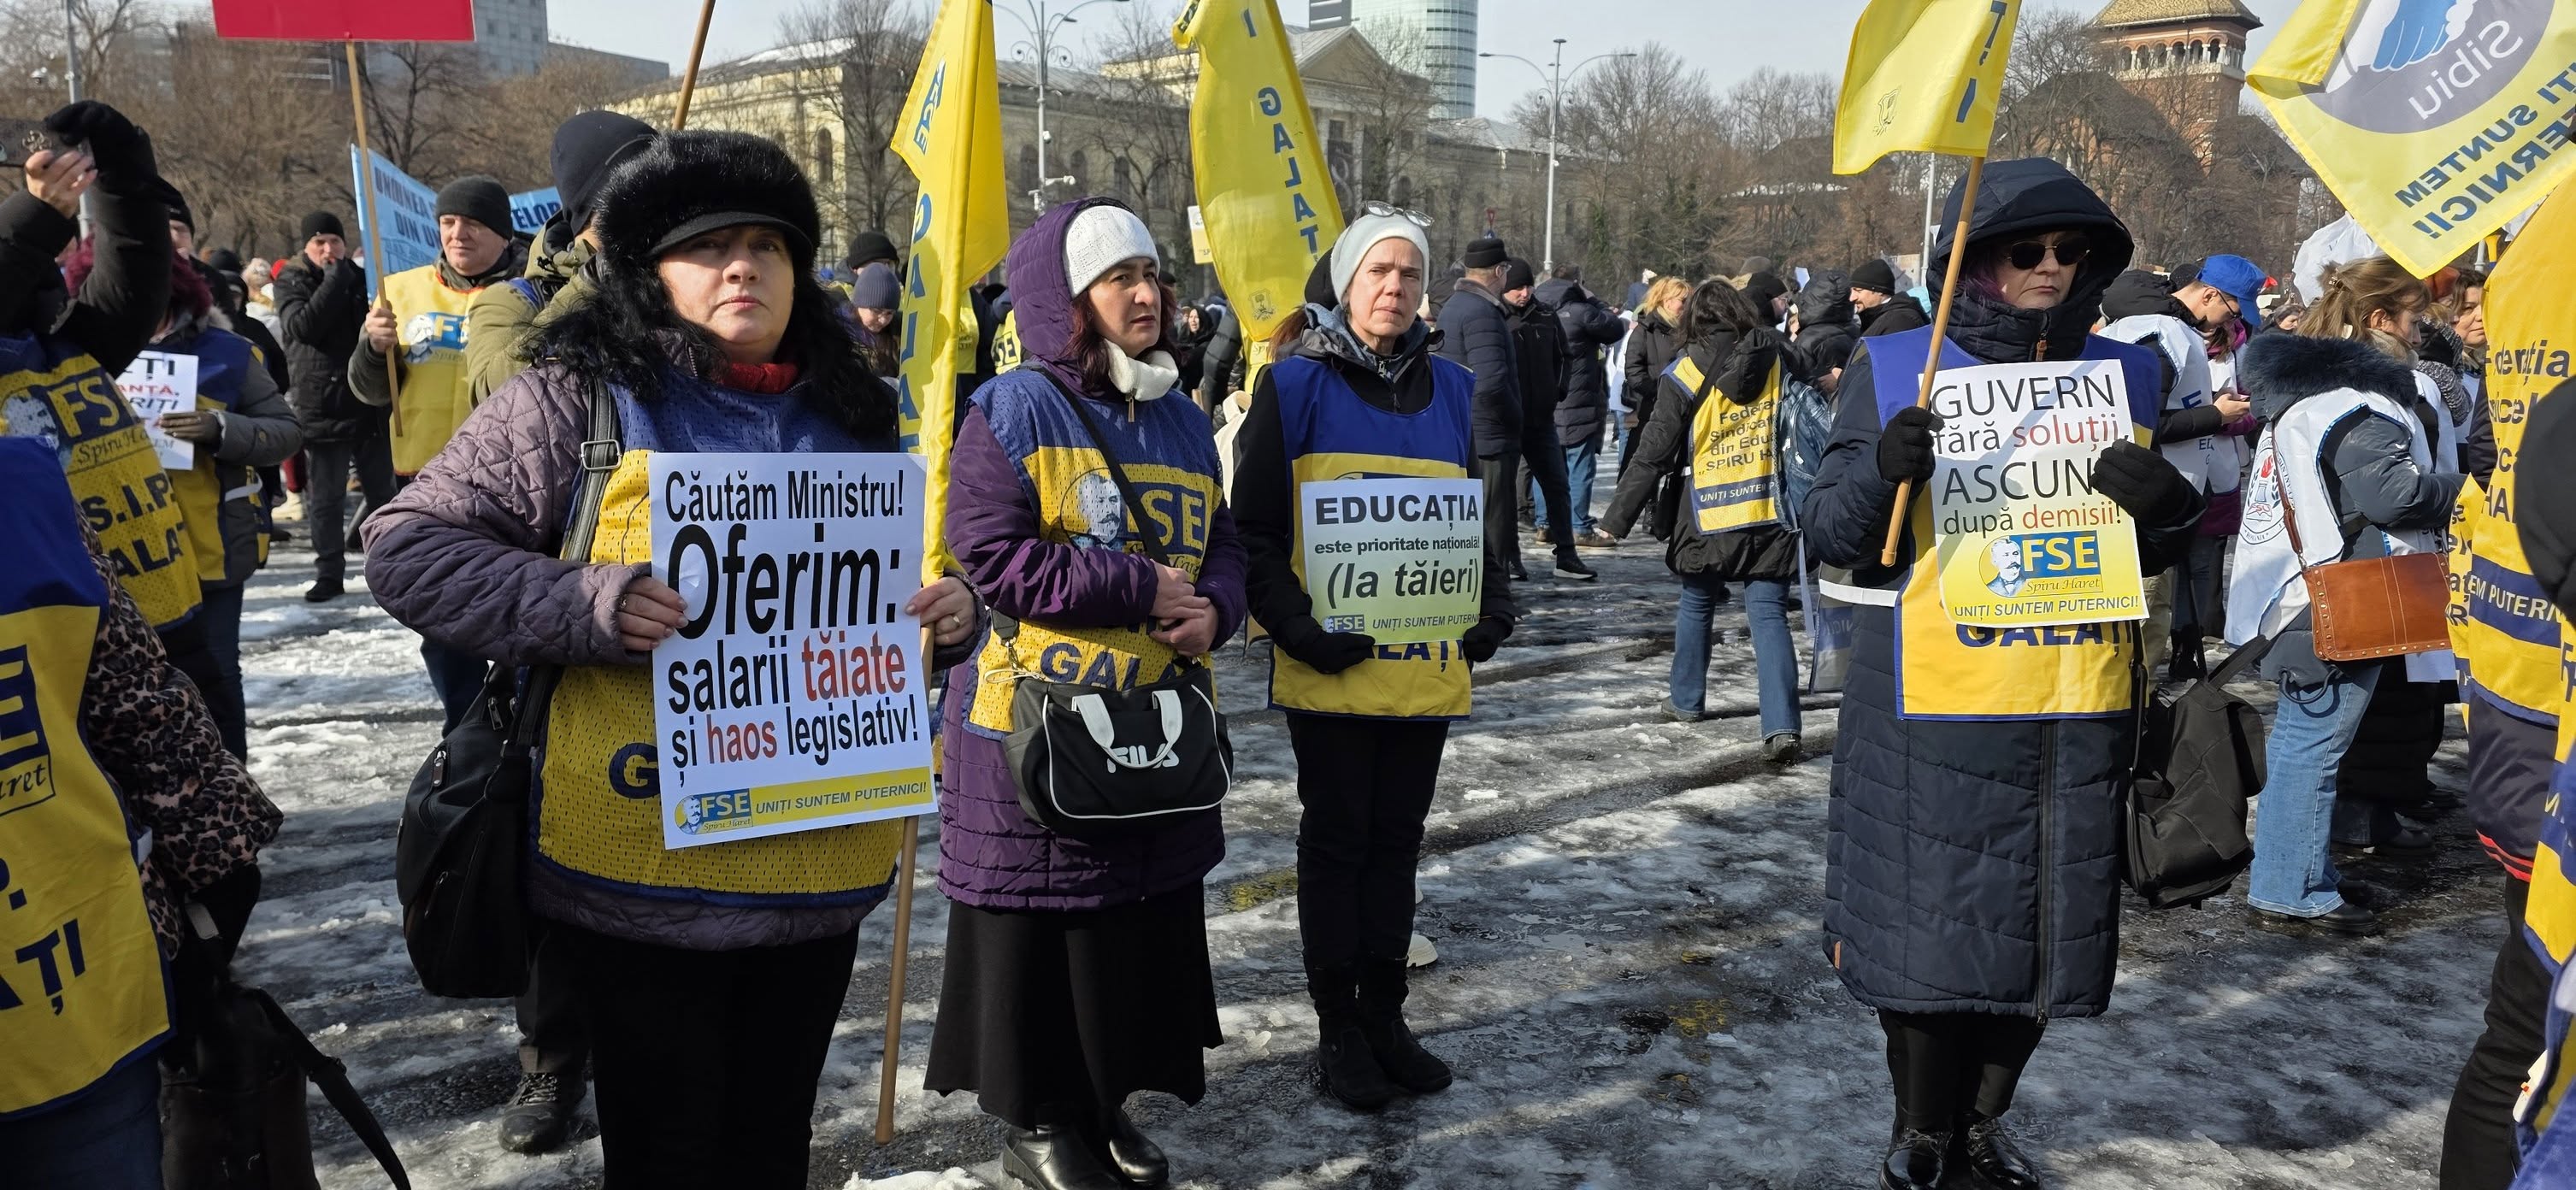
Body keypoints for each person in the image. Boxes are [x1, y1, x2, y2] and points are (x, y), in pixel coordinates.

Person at [365, 129, 978, 1186]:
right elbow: (406, 548)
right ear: (651, 273)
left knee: (772, 1149)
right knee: (668, 1158)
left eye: (767, 247)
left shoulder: (862, 414)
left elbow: (900, 594)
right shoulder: (576, 398)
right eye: (708, 248)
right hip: (641, 878)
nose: (743, 268)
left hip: (818, 867)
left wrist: (951, 615)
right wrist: (584, 602)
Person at [1799, 158, 2201, 1190]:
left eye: (2071, 251)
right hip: (1937, 701)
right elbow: (1834, 533)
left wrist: (2170, 510)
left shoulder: (2128, 375)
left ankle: (1981, 1123)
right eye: (2026, 250)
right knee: (1930, 939)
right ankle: (1921, 1131)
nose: (2050, 267)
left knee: (2044, 937)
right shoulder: (1899, 363)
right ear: (1972, 261)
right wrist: (1882, 472)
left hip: (2076, 704)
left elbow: (2141, 549)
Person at [923, 197, 1241, 1190]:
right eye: (1117, 280)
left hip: (1151, 725)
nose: (1145, 296)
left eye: (1151, 276)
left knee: (1129, 929)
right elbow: (990, 555)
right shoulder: (1013, 407)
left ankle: (1106, 1104)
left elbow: (1224, 542)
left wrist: (1217, 611)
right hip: (1034, 729)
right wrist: (1138, 588)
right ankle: (1042, 1121)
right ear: (1065, 299)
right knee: (1046, 927)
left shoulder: (1181, 414)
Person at [1233, 209, 1514, 1114]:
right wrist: (1296, 629)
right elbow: (1253, 533)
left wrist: (1490, 606)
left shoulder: (1453, 388)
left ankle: (1385, 1015)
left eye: (1408, 273)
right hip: (1331, 671)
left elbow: (1473, 517)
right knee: (1337, 842)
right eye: (1377, 272)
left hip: (1422, 669)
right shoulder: (1293, 385)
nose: (1393, 287)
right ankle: (1338, 1029)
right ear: (1347, 284)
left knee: (1397, 844)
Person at [0, 438, 281, 1190]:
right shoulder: (20, 486)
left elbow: (136, 707)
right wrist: (218, 870)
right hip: (71, 986)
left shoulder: (18, 485)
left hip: (71, 991)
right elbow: (141, 709)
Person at [2225, 256, 2462, 938]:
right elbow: (2394, 498)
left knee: (2307, 743)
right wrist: (2470, 487)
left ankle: (2298, 873)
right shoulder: (2360, 403)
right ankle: (2288, 888)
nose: (2422, 332)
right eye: (2415, 319)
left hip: (2301, 594)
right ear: (2379, 319)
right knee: (2313, 747)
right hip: (2335, 597)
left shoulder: (2313, 396)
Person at [66, 227, 301, 763]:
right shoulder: (74, 357)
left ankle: (227, 790)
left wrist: (221, 428)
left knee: (213, 676)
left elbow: (285, 434)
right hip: (112, 557)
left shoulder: (229, 352)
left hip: (208, 549)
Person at [0, 100, 203, 635]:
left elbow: (133, 282)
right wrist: (35, 217)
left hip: (159, 627)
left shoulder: (58, 346)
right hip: (41, 648)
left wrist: (124, 175)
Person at [350, 175, 528, 732]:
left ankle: (523, 723)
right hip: (426, 479)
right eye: (448, 222)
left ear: (502, 233)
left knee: (514, 606)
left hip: (515, 480)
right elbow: (369, 391)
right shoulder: (398, 292)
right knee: (444, 614)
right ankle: (468, 732)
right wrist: (372, 349)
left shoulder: (531, 290)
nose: (457, 234)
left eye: (472, 223)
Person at [1599, 278, 1803, 759]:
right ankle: (1782, 725)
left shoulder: (1684, 371)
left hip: (1706, 508)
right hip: (1769, 506)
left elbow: (1653, 452)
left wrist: (1616, 519)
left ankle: (1686, 700)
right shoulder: (1778, 357)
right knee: (1768, 614)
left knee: (1697, 603)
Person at [2098, 259, 2258, 680]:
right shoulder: (2161, 332)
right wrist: (2215, 416)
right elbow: (2138, 424)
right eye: (2232, 311)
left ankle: (2137, 695)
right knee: (2145, 616)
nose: (2231, 323)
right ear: (2209, 294)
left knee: (2153, 613)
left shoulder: (2164, 329)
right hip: (2143, 503)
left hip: (2155, 498)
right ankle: (2133, 702)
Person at [463, 109, 657, 409]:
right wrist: (593, 281)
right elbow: (490, 394)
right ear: (600, 200)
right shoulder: (512, 299)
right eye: (638, 186)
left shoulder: (670, 277)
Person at [274, 209, 392, 604]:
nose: (328, 250)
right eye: (319, 243)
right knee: (326, 500)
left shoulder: (362, 279)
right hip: (322, 405)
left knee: (384, 495)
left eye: (335, 242)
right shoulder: (292, 280)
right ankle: (329, 572)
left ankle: (391, 566)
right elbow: (304, 327)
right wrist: (333, 280)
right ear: (306, 247)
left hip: (368, 401)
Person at [1500, 256, 1582, 572]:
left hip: (1542, 418)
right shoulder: (1495, 316)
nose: (1524, 293)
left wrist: (1559, 390)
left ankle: (1567, 554)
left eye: (1528, 286)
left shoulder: (1546, 314)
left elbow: (1565, 355)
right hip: (1508, 420)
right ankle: (1510, 557)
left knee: (1557, 484)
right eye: (1517, 288)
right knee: (1505, 491)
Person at [1538, 264, 1627, 547]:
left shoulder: (1535, 309)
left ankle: (1544, 523)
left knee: (1545, 465)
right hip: (1578, 400)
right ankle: (1579, 526)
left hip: (1544, 398)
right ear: (1577, 282)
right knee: (1579, 464)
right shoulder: (1581, 311)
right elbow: (1615, 328)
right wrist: (1592, 299)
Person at [1620, 276, 1689, 474]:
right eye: (1683, 300)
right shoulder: (1644, 331)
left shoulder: (1687, 331)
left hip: (1684, 413)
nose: (1687, 306)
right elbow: (1634, 372)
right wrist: (1659, 392)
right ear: (1667, 301)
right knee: (1643, 473)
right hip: (1652, 412)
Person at [1789, 268, 1858, 393]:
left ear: (1809, 298)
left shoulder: (1806, 341)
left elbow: (1799, 382)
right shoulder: (1857, 330)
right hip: (1854, 398)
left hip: (1820, 402)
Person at [1851, 258, 1930, 337]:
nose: (1852, 298)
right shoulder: (1875, 318)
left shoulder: (1900, 321)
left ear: (1880, 291)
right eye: (1851, 291)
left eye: (1858, 291)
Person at [850, 262, 901, 377]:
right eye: (877, 311)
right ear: (859, 304)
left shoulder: (899, 331)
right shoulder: (837, 332)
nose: (883, 320)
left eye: (889, 313)